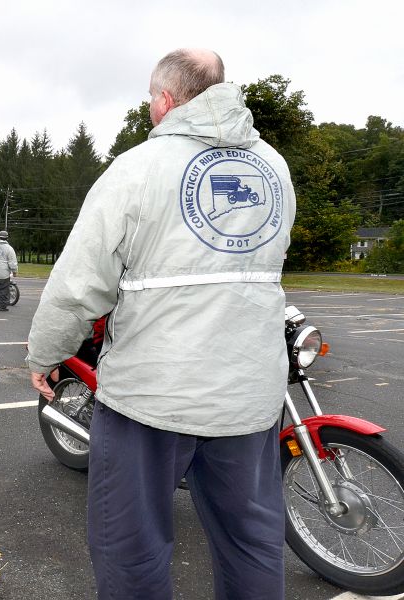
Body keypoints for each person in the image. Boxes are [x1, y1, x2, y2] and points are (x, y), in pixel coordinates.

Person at [26, 48, 296, 600]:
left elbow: (80, 282)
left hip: (152, 398)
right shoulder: (274, 168)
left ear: (166, 100)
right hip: (248, 398)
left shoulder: (138, 168)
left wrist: (44, 354)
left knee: (133, 547)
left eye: (151, 98)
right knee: (252, 543)